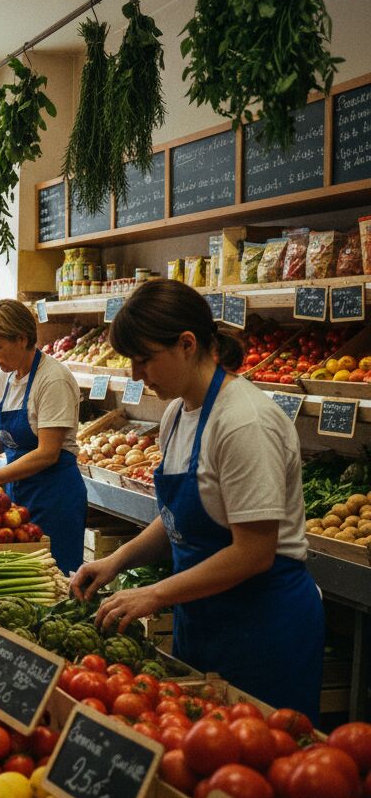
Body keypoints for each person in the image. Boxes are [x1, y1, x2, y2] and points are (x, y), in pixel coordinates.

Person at [70, 280, 323, 719]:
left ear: (187, 344)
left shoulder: (243, 422)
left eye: (144, 358)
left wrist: (156, 593)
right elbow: (178, 518)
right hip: (202, 619)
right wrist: (117, 561)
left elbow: (253, 552)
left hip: (262, 627)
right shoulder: (176, 414)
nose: (135, 374)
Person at [0, 299, 87, 575]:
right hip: (17, 494)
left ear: (21, 339)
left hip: (53, 496)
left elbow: (47, 452)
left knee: (53, 578)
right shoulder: (8, 376)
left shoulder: (53, 379)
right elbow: (25, 431)